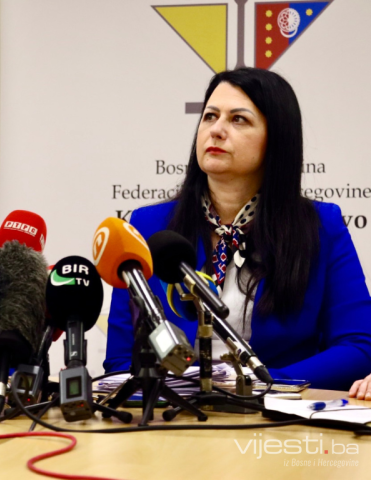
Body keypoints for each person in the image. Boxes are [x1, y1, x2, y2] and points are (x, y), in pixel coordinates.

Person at [105, 67, 371, 391]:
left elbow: (359, 347)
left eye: (238, 119)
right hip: (176, 411)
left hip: (275, 411)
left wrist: (260, 384)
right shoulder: (148, 227)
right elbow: (121, 360)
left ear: (276, 139)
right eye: (210, 116)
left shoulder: (320, 227)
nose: (216, 130)